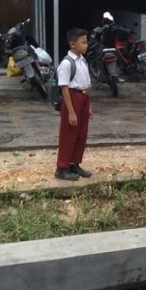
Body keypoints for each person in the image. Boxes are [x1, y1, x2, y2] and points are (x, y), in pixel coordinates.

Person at [55, 28, 93, 181]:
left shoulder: (82, 60)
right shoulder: (66, 63)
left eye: (86, 42)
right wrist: (71, 111)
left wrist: (88, 106)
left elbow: (86, 84)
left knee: (81, 134)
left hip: (83, 98)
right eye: (83, 42)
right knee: (69, 133)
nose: (86, 45)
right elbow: (64, 87)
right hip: (72, 98)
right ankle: (62, 167)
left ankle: (74, 163)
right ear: (72, 44)